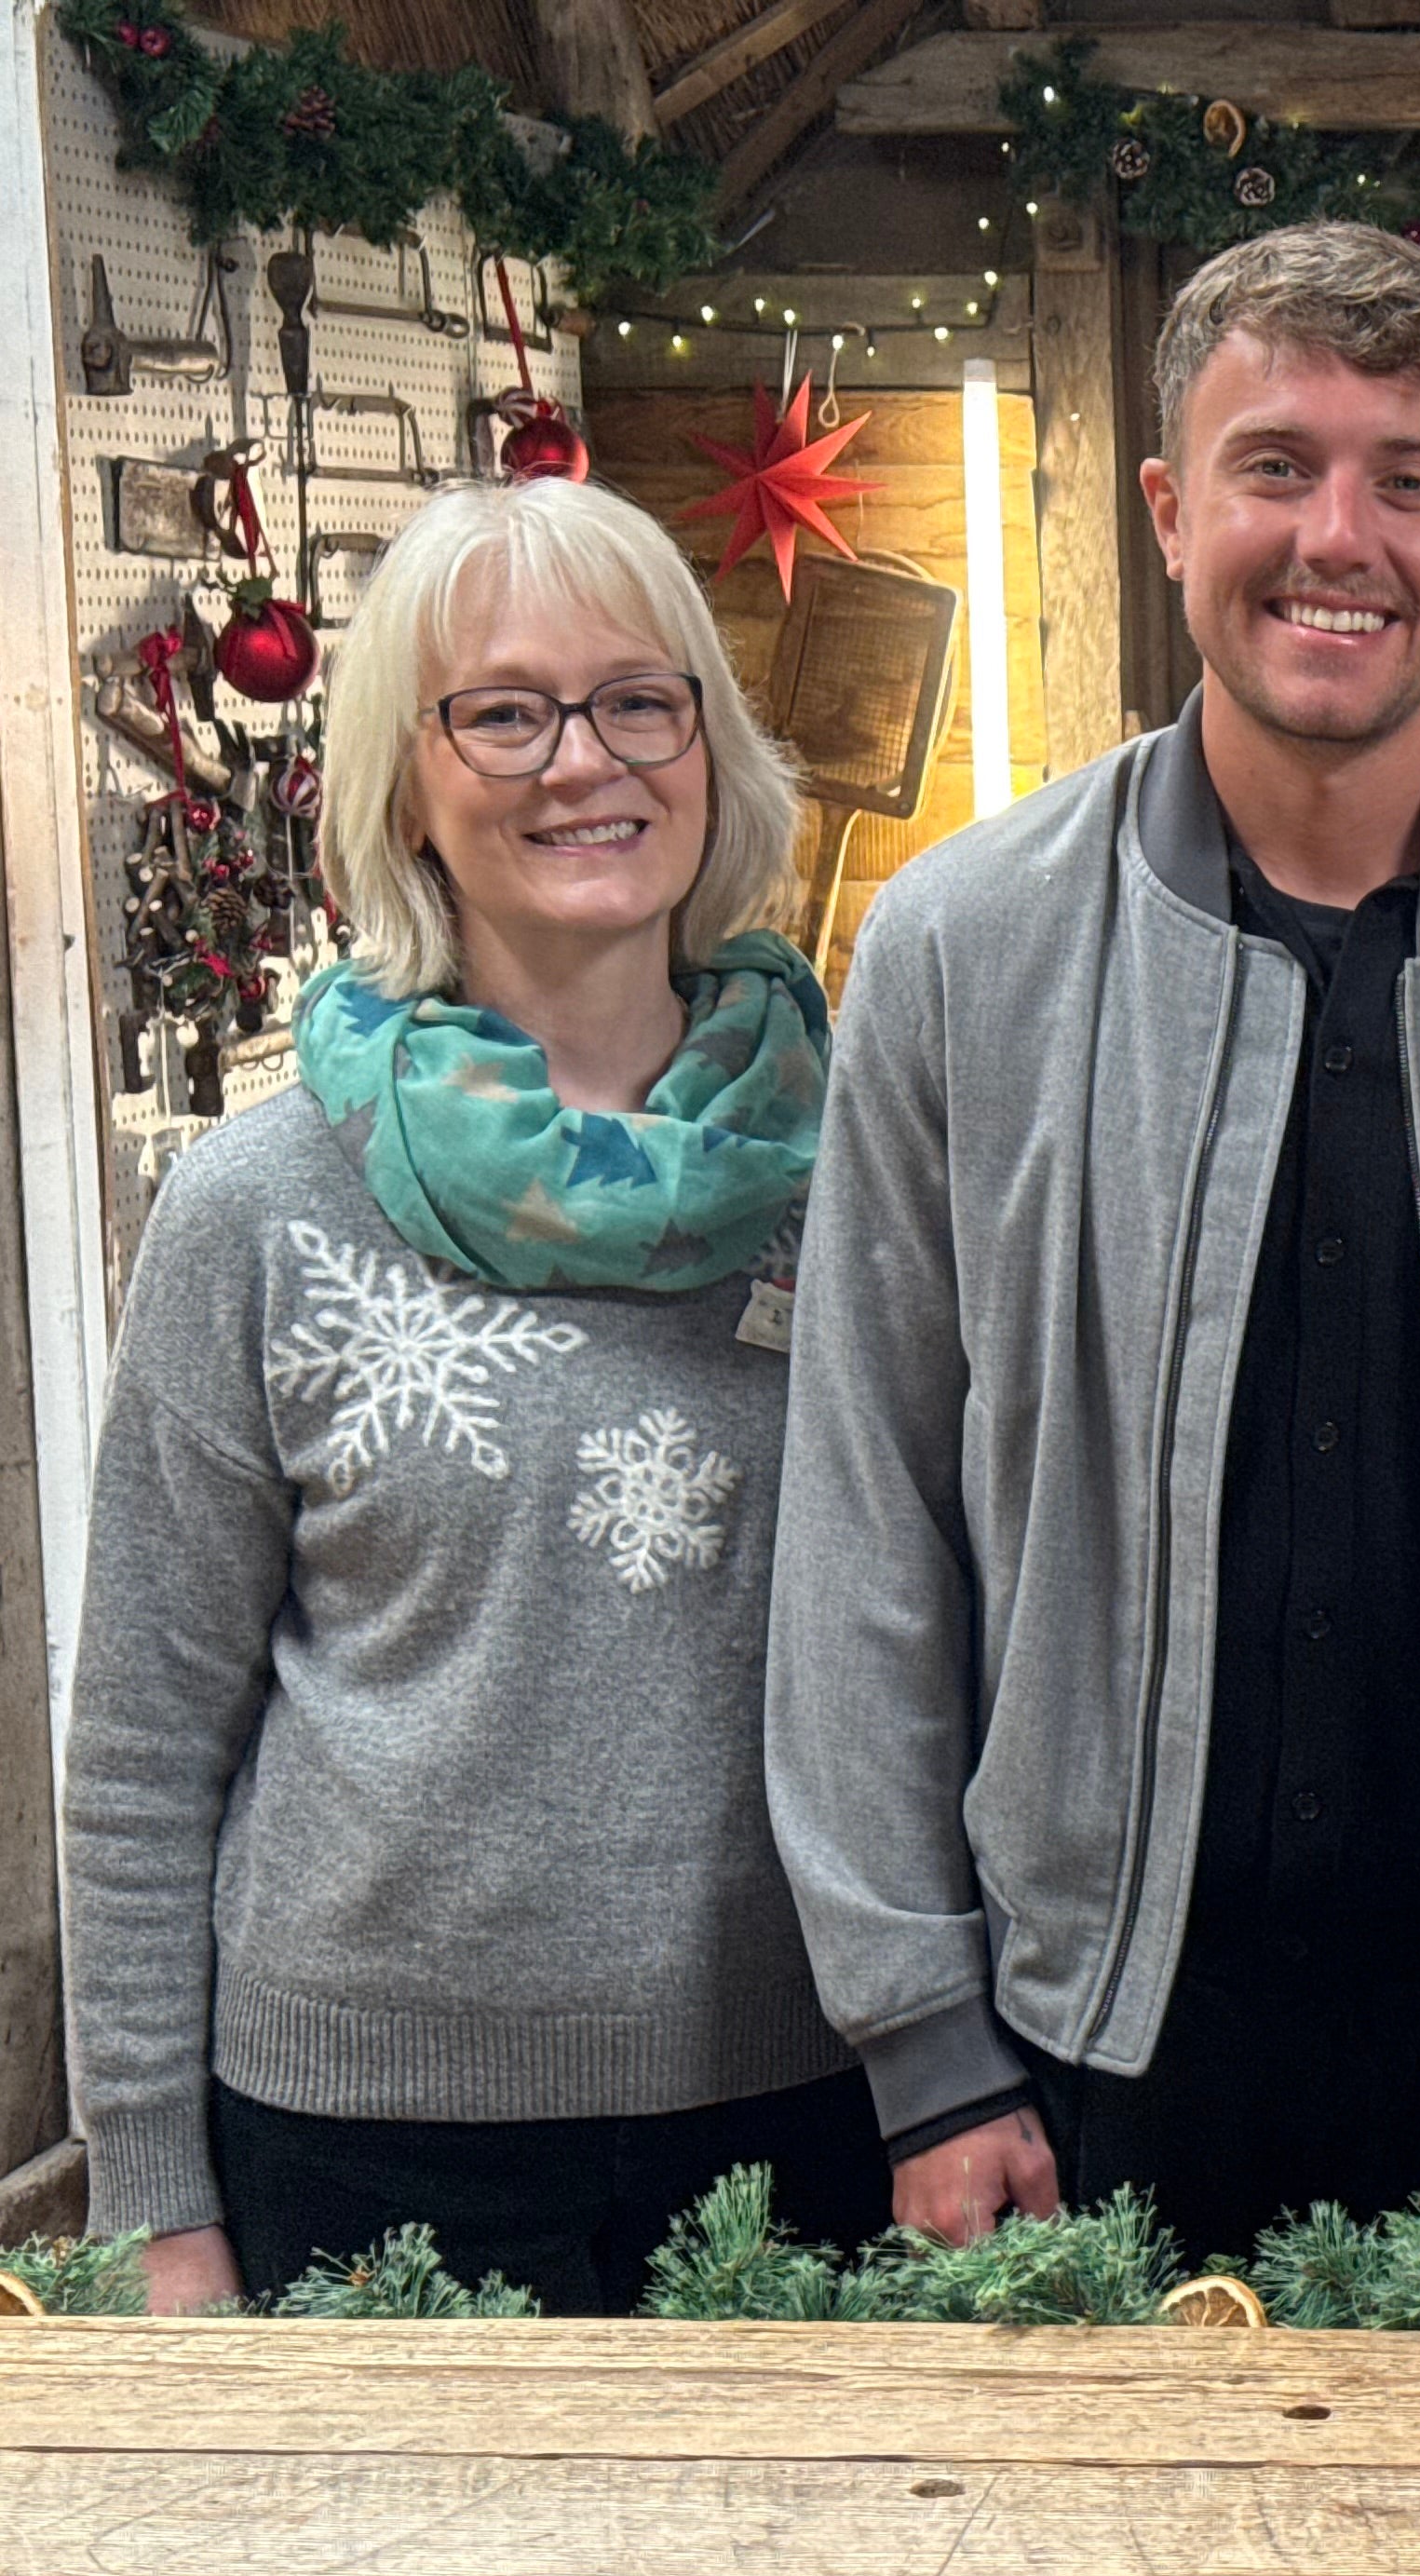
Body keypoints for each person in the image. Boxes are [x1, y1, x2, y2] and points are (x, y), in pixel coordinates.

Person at [768, 224, 1420, 2265]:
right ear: (1166, 510)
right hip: (1093, 2048)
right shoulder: (960, 954)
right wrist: (931, 2048)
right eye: (1277, 464)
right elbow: (868, 1512)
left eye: (1409, 477)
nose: (1342, 536)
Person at [61, 473, 869, 2314]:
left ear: (709, 746)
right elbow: (139, 1752)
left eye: (637, 699)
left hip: (807, 2101)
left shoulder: (869, 1177)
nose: (584, 760)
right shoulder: (258, 1208)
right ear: (406, 785)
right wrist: (149, 2190)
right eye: (502, 711)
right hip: (363, 2147)